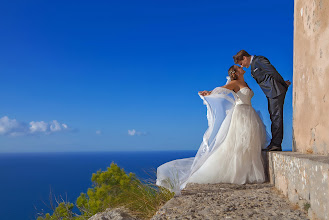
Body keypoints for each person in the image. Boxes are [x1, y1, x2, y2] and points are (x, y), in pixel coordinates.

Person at [156, 65, 268, 194]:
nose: (242, 68)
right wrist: (209, 93)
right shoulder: (234, 83)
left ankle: (247, 172)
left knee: (249, 143)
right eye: (239, 68)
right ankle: (235, 173)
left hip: (249, 114)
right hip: (240, 115)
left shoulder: (245, 82)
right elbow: (222, 91)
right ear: (236, 72)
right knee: (238, 144)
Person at [233, 50, 291, 151]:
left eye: (241, 63)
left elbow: (272, 71)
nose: (242, 66)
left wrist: (283, 84)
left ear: (245, 58)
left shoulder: (258, 60)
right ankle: (274, 143)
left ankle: (276, 144)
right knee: (274, 117)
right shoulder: (252, 67)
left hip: (275, 91)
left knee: (276, 117)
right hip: (271, 93)